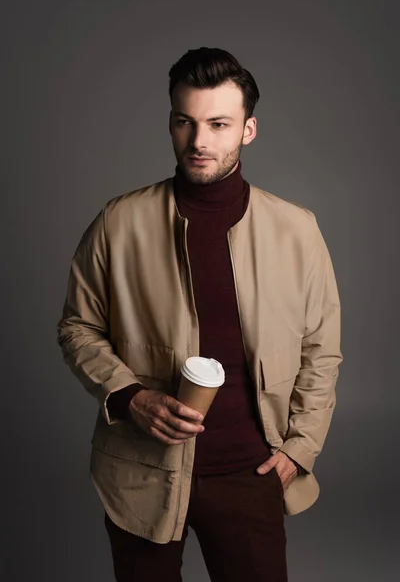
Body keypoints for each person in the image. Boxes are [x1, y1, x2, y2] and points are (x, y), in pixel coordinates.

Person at [57, 47, 343, 582]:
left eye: (218, 123)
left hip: (250, 473)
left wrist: (299, 449)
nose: (200, 141)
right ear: (170, 122)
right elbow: (77, 326)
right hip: (141, 471)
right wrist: (130, 397)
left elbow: (321, 350)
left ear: (248, 129)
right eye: (185, 122)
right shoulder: (119, 223)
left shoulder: (298, 230)